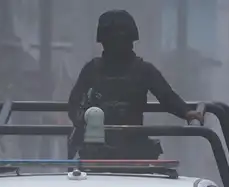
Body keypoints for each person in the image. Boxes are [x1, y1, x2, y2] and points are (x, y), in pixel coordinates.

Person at [67, 9, 203, 158]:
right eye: (113, 41)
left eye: (121, 41)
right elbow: (74, 102)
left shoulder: (143, 70)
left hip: (132, 145)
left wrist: (186, 112)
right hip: (98, 146)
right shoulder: (93, 69)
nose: (117, 46)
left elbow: (166, 96)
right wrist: (83, 123)